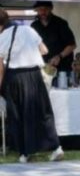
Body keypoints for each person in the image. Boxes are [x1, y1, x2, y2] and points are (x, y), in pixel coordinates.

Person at [0, 8, 63, 163]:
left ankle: (24, 153)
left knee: (17, 115)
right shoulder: (29, 30)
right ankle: (56, 148)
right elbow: (44, 50)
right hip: (35, 76)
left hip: (15, 77)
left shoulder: (3, 37)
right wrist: (28, 51)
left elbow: (0, 66)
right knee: (44, 112)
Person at [30, 1, 76, 81]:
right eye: (40, 9)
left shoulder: (61, 23)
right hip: (42, 68)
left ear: (51, 9)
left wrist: (59, 56)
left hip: (62, 68)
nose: (43, 12)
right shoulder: (34, 26)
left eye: (46, 9)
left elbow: (72, 45)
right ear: (36, 10)